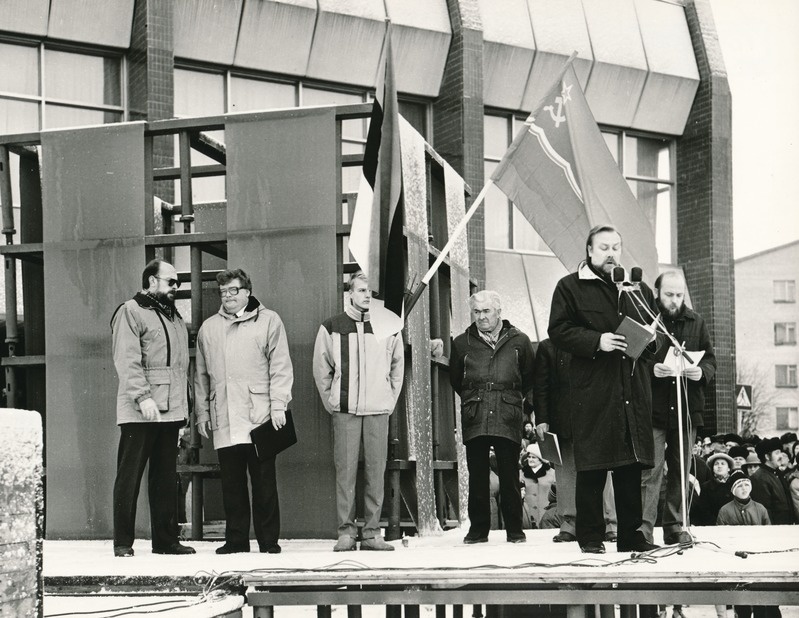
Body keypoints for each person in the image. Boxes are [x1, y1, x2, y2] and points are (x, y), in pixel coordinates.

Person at [548, 224, 659, 554]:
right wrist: (597, 341)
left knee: (629, 467)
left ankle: (631, 536)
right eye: (604, 247)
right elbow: (558, 330)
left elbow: (655, 334)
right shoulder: (570, 287)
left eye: (616, 247)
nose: (611, 253)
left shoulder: (636, 289)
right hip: (593, 390)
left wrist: (649, 342)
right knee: (593, 468)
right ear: (590, 251)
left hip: (631, 389)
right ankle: (591, 537)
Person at [194, 269, 293, 554]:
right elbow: (201, 375)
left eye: (233, 290)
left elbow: (281, 367)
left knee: (264, 483)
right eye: (223, 292)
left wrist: (278, 406)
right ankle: (236, 540)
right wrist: (202, 413)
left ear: (247, 291)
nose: (228, 297)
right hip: (224, 415)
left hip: (259, 416)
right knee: (232, 484)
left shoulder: (269, 320)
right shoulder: (209, 328)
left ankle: (268, 540)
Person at [312, 271, 404, 552]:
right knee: (346, 472)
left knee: (376, 472)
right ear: (350, 293)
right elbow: (321, 369)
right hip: (346, 410)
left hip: (378, 409)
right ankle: (346, 532)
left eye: (371, 292)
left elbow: (397, 368)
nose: (367, 296)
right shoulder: (332, 326)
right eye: (361, 290)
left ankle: (373, 532)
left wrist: (388, 400)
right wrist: (332, 401)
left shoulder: (388, 327)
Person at [110, 259, 195, 557]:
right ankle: (123, 542)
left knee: (164, 477)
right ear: (151, 281)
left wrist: (184, 409)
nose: (176, 287)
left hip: (169, 411)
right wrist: (142, 397)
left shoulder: (173, 317)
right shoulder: (130, 312)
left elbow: (180, 367)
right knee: (129, 476)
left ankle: (166, 541)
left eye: (177, 282)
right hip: (140, 409)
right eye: (170, 281)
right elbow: (127, 360)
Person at [450, 290, 535, 544]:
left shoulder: (520, 340)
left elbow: (528, 378)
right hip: (475, 412)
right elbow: (456, 379)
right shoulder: (461, 342)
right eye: (477, 312)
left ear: (499, 312)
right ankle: (478, 531)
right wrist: (475, 397)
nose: (481, 317)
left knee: (509, 473)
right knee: (477, 475)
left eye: (487, 311)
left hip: (507, 413)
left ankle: (515, 531)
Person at [641, 271, 717, 546]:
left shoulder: (696, 322)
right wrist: (653, 369)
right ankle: (644, 528)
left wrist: (701, 373)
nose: (675, 300)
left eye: (679, 295)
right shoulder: (649, 321)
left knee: (680, 469)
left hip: (686, 408)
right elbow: (633, 358)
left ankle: (675, 526)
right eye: (669, 295)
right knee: (649, 471)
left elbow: (710, 358)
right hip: (654, 408)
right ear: (657, 293)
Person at [532, 338, 618, 544]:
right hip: (564, 419)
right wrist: (542, 419)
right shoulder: (548, 347)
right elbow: (541, 386)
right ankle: (570, 523)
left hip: (596, 416)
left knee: (602, 471)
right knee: (566, 472)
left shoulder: (598, 341)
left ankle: (608, 523)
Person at [716, 470, 778, 618]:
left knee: (760, 600)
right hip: (736, 562)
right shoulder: (725, 511)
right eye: (739, 486)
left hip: (758, 562)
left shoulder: (760, 509)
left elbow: (768, 535)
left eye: (746, 484)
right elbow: (721, 537)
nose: (743, 488)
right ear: (732, 490)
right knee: (741, 600)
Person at [749, 437, 795, 525]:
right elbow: (765, 512)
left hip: (785, 528)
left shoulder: (778, 474)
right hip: (774, 531)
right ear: (767, 456)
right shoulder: (759, 478)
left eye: (780, 452)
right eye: (777, 453)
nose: (781, 456)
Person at [694, 452, 734, 525]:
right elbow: (704, 510)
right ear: (712, 468)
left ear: (728, 468)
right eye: (716, 464)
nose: (719, 466)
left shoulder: (734, 485)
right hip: (712, 526)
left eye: (723, 464)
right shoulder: (705, 487)